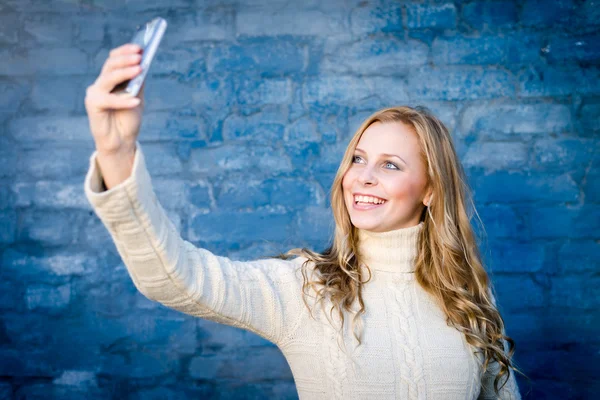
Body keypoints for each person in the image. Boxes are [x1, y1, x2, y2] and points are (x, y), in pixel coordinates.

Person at [83, 43, 523, 399]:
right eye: (358, 159)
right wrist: (116, 155)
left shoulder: (468, 296)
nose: (362, 177)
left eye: (390, 165)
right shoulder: (308, 288)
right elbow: (173, 277)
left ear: (430, 190)